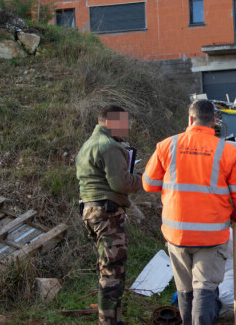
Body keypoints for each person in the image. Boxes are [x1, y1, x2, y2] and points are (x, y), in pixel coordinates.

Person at [143, 99, 236, 325]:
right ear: (214, 122)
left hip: (177, 234)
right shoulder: (228, 151)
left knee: (185, 290)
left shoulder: (167, 145)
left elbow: (149, 184)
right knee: (204, 287)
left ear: (190, 119)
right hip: (210, 237)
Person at [76, 105, 143, 325]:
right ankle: (108, 322)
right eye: (123, 122)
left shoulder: (88, 145)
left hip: (91, 211)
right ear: (109, 122)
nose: (126, 127)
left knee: (107, 269)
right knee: (113, 274)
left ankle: (112, 318)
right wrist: (143, 179)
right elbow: (120, 183)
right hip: (108, 214)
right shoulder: (110, 147)